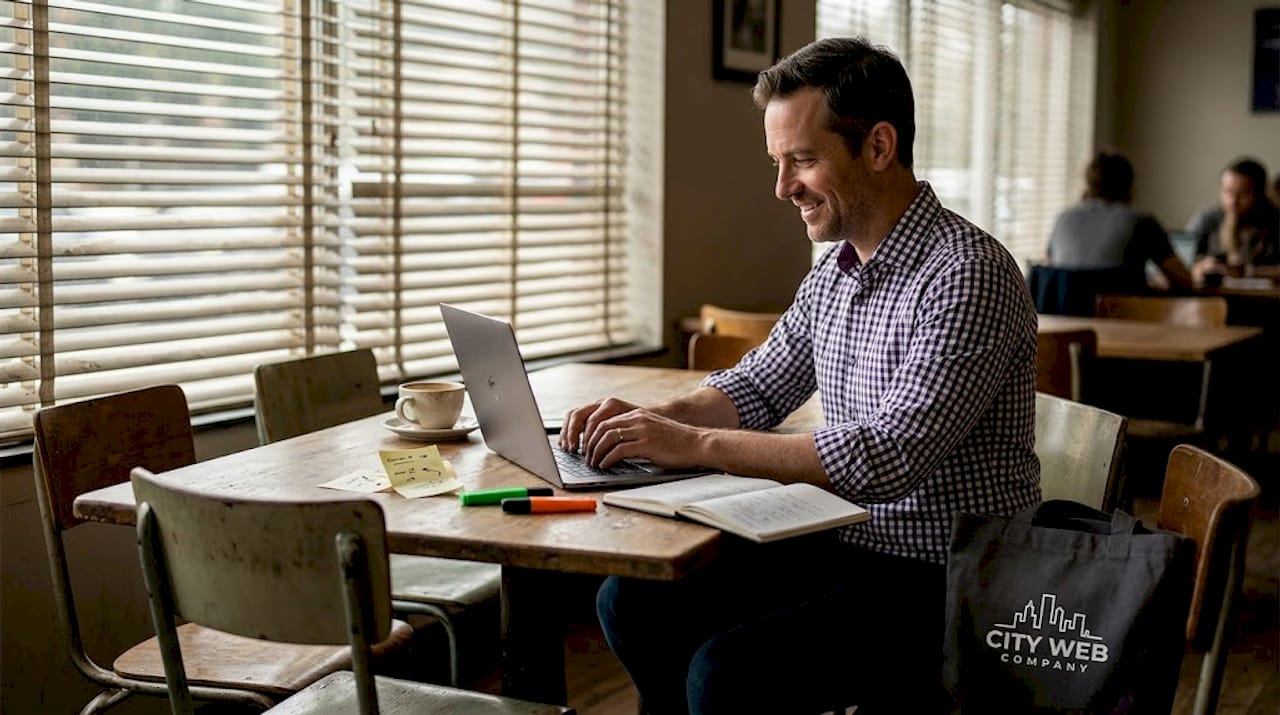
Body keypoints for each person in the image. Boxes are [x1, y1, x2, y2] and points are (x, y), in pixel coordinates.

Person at [559, 37, 1039, 714]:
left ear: (878, 146)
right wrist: (656, 421)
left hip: (950, 577)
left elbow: (888, 455)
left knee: (725, 677)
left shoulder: (970, 273)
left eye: (802, 161)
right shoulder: (835, 270)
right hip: (850, 539)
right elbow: (756, 385)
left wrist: (690, 445)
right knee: (633, 602)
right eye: (777, 162)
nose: (782, 187)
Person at [1046, 151, 1193, 292]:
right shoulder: (1141, 222)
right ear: (1129, 186)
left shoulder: (1062, 220)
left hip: (1063, 317)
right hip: (1122, 315)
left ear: (1088, 184)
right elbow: (1184, 281)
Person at [1187, 157, 1280, 281]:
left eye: (1243, 194)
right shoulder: (1206, 220)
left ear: (1259, 194)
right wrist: (1201, 268)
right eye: (1228, 192)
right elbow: (1181, 265)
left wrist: (1247, 272)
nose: (1233, 201)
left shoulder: (1274, 221)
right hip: (1212, 296)